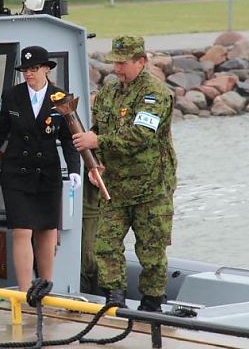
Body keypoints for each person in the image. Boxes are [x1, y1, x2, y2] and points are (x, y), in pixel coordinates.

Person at [72, 36, 177, 311]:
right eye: (115, 63)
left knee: (151, 250)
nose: (117, 69)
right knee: (105, 244)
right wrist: (95, 163)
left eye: (123, 63)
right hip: (115, 186)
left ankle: (152, 303)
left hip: (150, 188)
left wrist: (97, 142)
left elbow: (141, 135)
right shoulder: (109, 92)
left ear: (141, 61)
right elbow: (98, 127)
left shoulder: (154, 93)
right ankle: (114, 298)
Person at [0, 46, 81, 291]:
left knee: (45, 231)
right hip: (17, 174)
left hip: (47, 173)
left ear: (46, 69)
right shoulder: (12, 95)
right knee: (20, 231)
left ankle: (45, 287)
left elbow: (69, 137)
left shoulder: (61, 98)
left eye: (34, 69)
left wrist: (75, 169)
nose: (29, 74)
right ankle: (24, 292)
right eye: (25, 70)